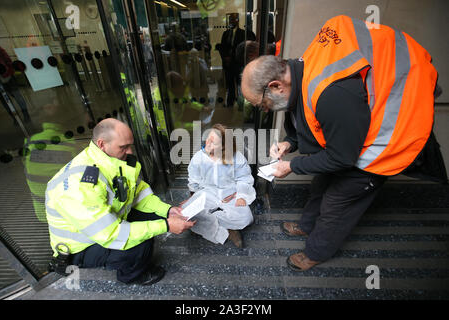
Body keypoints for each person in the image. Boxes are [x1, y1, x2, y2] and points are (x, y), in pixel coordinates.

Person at [241, 15, 447, 271]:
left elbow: (341, 158)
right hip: (350, 137)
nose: (266, 109)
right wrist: (289, 143)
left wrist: (292, 167)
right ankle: (306, 227)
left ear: (276, 85)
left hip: (382, 146)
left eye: (263, 104)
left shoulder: (332, 94)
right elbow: (305, 113)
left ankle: (316, 252)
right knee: (321, 184)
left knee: (336, 203)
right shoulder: (300, 71)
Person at [45, 118, 195, 285]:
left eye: (130, 145)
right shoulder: (79, 186)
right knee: (139, 242)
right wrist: (166, 225)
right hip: (81, 247)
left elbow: (139, 193)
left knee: (153, 218)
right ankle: (132, 275)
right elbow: (111, 234)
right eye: (123, 147)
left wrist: (167, 211)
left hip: (105, 225)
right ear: (102, 144)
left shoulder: (112, 161)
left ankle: (133, 259)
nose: (130, 151)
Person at [184, 124, 255, 248]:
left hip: (230, 194)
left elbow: (244, 178)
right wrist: (192, 198)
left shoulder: (236, 157)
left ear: (223, 146)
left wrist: (241, 195)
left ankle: (210, 224)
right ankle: (227, 231)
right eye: (208, 138)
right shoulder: (198, 157)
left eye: (213, 142)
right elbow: (193, 180)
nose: (207, 143)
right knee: (186, 215)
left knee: (246, 218)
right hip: (207, 193)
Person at [218, 13, 256, 108]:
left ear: (238, 21)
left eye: (233, 19)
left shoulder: (244, 33)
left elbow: (244, 48)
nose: (231, 21)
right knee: (230, 84)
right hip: (228, 64)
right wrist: (225, 58)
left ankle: (240, 104)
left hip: (238, 64)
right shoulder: (225, 33)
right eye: (230, 19)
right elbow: (222, 48)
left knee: (240, 85)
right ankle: (230, 102)